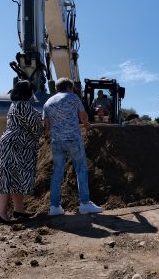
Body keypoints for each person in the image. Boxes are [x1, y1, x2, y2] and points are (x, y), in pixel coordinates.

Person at [43, 78, 102, 215]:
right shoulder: (73, 98)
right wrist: (87, 125)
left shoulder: (48, 102)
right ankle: (85, 204)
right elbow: (83, 116)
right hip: (73, 139)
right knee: (81, 169)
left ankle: (54, 207)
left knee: (57, 172)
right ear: (69, 87)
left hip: (57, 141)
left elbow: (46, 127)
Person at [0, 80, 43, 224]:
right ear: (27, 93)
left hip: (11, 143)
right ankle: (1, 213)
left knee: (14, 176)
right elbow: (36, 129)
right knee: (8, 178)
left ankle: (18, 209)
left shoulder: (14, 105)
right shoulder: (25, 106)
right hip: (17, 145)